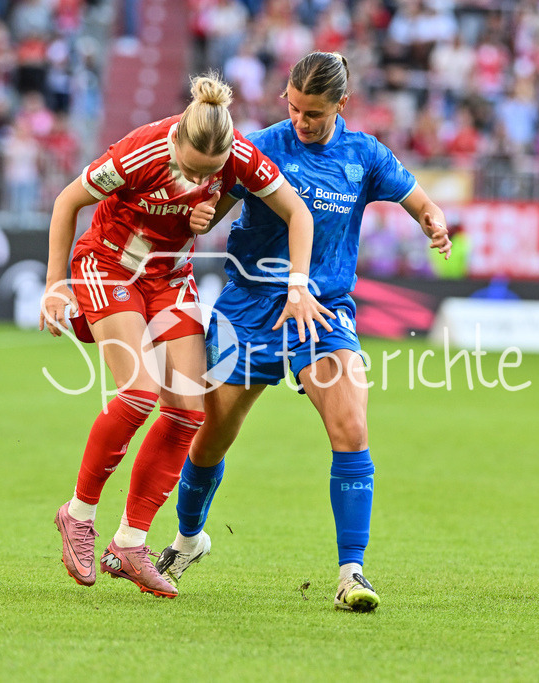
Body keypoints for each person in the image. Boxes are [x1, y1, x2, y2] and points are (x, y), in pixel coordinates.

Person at [155, 52, 451, 611]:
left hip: (322, 309)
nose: (301, 121)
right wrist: (196, 218)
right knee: (212, 436)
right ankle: (189, 539)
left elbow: (420, 200)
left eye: (313, 113)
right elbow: (212, 206)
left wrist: (432, 220)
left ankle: (351, 574)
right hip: (249, 307)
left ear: (343, 104)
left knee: (351, 426)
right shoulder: (261, 144)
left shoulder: (364, 156)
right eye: (293, 107)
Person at [40, 74, 330, 598]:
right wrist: (55, 285)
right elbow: (67, 202)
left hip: (171, 276)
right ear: (177, 142)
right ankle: (78, 514)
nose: (203, 179)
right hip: (110, 267)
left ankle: (130, 543)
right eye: (194, 169)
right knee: (138, 392)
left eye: (212, 173)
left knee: (189, 409)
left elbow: (298, 214)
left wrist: (297, 285)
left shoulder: (239, 156)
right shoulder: (138, 152)